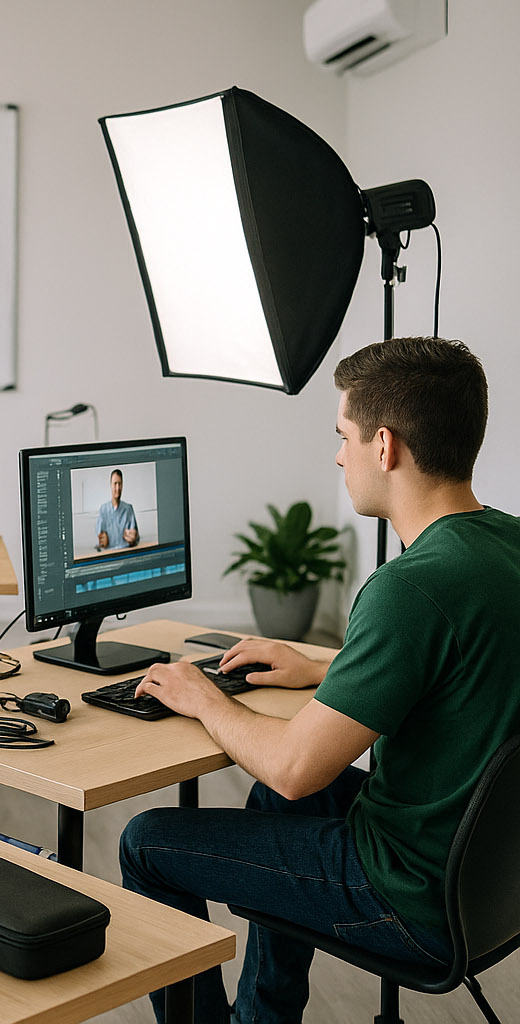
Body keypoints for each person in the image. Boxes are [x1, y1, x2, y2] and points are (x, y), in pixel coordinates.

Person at [119, 336, 520, 1024]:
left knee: (147, 842)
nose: (339, 456)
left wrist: (204, 697)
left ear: (384, 446)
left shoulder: (410, 588)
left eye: (343, 436)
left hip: (408, 895)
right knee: (277, 807)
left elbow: (295, 767)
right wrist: (324, 666)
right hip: (490, 882)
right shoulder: (505, 546)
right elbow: (462, 664)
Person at [95, 468, 138, 550]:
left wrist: (134, 538)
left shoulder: (128, 509)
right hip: (110, 553)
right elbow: (98, 540)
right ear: (110, 485)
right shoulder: (103, 510)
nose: (117, 488)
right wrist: (102, 542)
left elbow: (136, 538)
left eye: (120, 484)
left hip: (126, 552)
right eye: (115, 484)